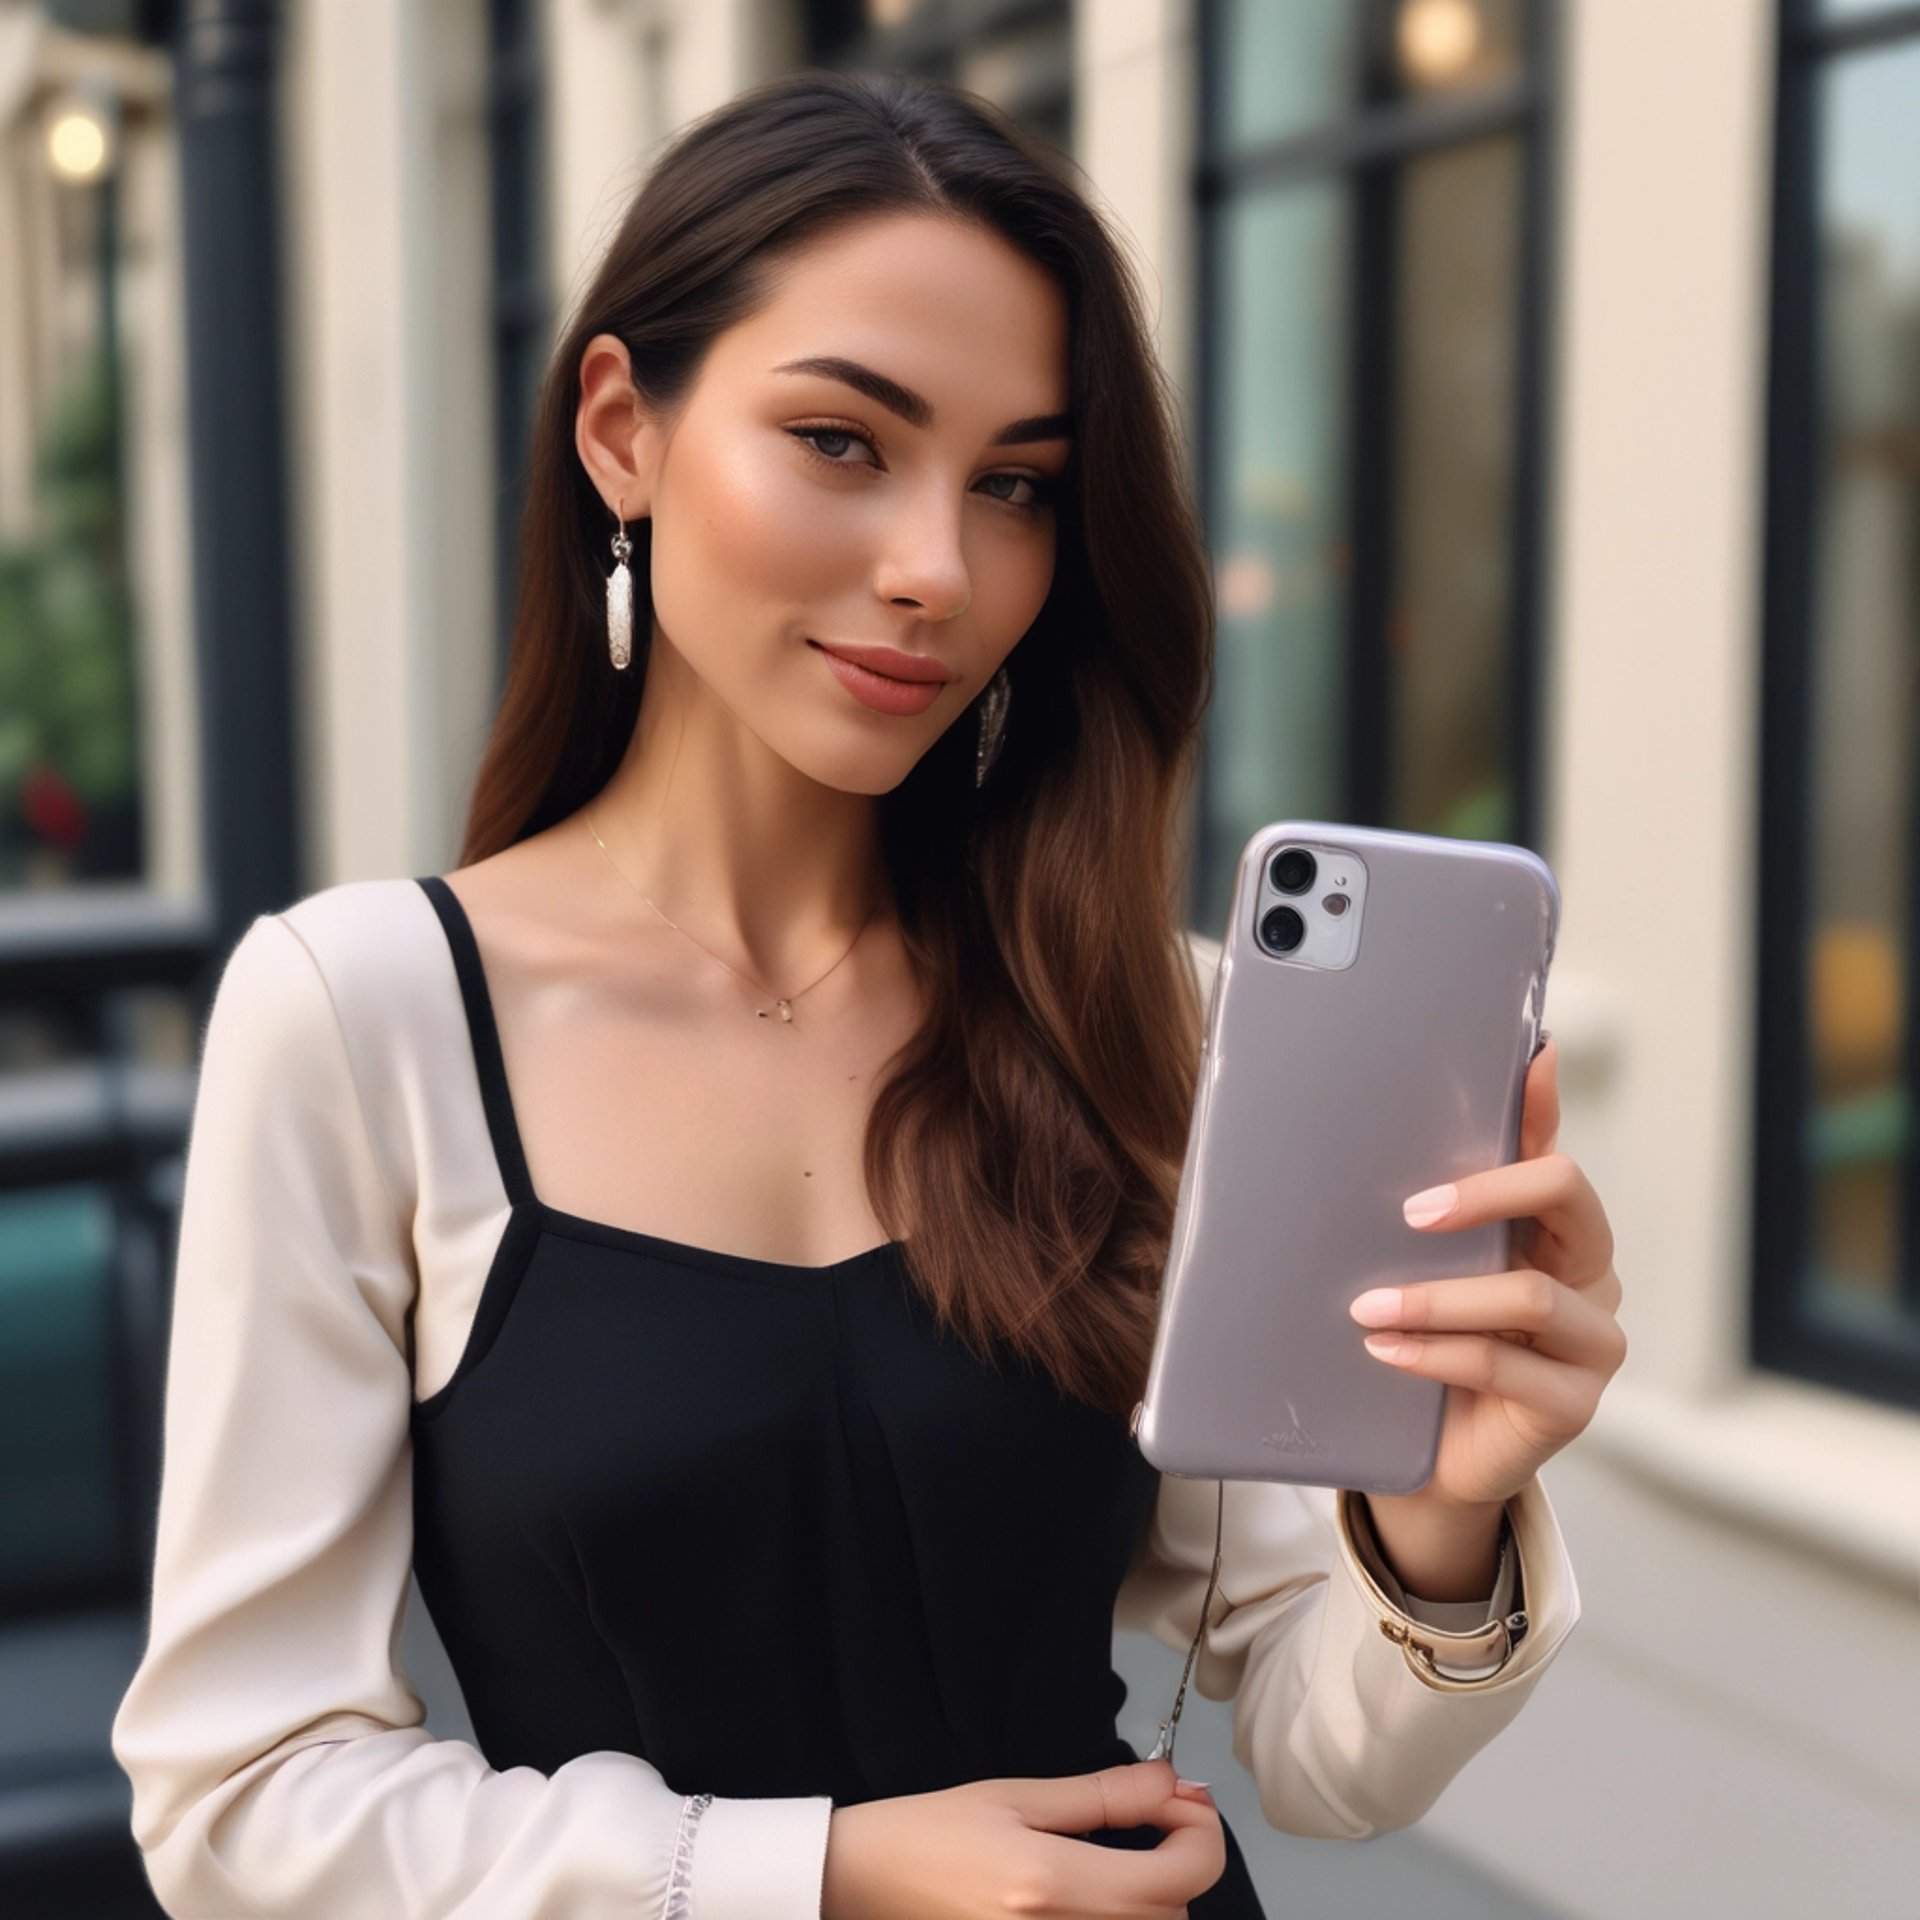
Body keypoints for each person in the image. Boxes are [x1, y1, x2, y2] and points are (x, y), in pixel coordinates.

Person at [110, 67, 1626, 1920]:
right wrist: (813, 1872)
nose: (937, 569)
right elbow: (242, 1803)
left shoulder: (1151, 1012)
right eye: (842, 440)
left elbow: (1321, 1761)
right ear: (622, 430)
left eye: (1016, 486)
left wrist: (1443, 1511)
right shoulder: (362, 1019)